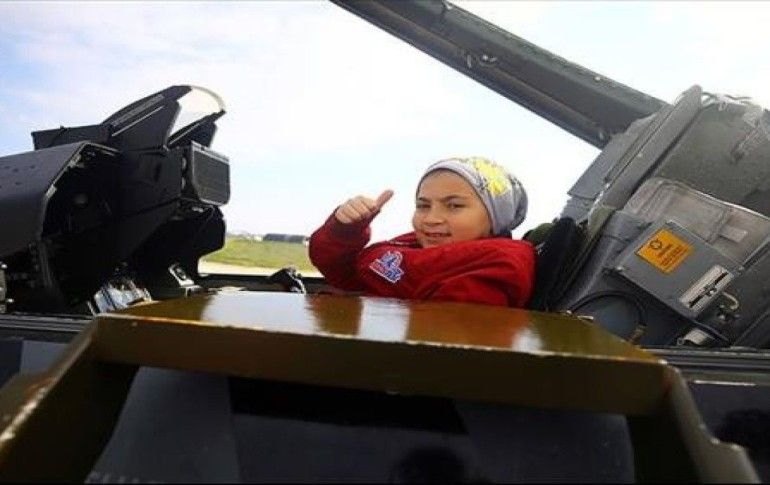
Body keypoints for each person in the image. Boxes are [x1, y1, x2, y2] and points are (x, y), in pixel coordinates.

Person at [308, 157, 536, 307]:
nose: (431, 218)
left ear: (496, 218)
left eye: (454, 205)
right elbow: (346, 276)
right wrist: (344, 230)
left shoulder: (496, 264)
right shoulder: (416, 243)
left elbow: (439, 337)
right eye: (423, 205)